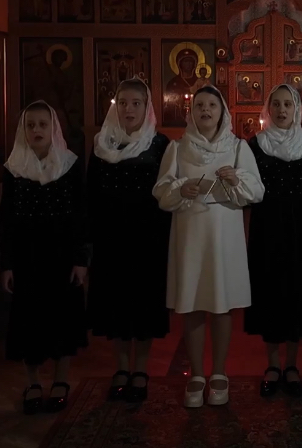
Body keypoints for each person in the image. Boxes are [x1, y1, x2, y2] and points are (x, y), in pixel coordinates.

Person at [153, 86, 265, 407]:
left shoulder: (238, 147)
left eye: (212, 105)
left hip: (224, 235)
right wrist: (180, 188)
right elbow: (161, 190)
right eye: (200, 105)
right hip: (190, 234)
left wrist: (236, 180)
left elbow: (256, 190)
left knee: (221, 303)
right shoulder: (177, 147)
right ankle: (197, 374)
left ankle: (218, 372)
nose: (205, 110)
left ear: (222, 111)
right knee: (192, 303)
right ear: (192, 112)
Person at [0, 101, 88, 415]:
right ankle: (33, 381)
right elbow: (7, 218)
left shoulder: (70, 164)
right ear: (22, 129)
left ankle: (61, 379)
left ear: (54, 128)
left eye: (42, 124)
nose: (36, 130)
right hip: (27, 256)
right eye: (30, 125)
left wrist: (81, 259)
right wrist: (7, 263)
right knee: (29, 319)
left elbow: (80, 214)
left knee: (63, 318)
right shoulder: (13, 167)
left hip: (62, 254)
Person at [86, 78, 172, 403]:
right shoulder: (101, 144)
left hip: (149, 238)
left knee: (144, 304)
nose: (129, 109)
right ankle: (121, 368)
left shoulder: (159, 144)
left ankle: (141, 369)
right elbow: (91, 195)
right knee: (116, 304)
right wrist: (89, 241)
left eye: (136, 103)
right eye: (122, 102)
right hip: (111, 238)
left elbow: (168, 190)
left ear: (146, 107)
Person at [245, 84, 302, 397]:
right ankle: (273, 364)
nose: (281, 110)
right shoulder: (255, 145)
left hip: (300, 234)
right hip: (267, 232)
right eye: (275, 104)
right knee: (270, 297)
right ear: (268, 108)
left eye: (287, 105)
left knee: (296, 298)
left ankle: (292, 365)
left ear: (296, 109)